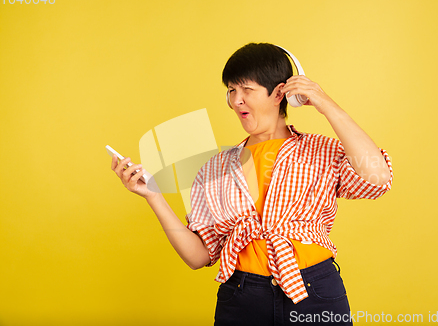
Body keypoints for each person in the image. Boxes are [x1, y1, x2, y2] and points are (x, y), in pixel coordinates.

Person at [111, 43, 393, 325]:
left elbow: (378, 179)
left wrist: (325, 103)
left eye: (247, 90)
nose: (236, 101)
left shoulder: (321, 151)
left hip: (314, 293)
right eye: (232, 90)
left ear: (280, 93)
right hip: (242, 297)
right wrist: (153, 196)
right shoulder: (216, 169)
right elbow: (198, 256)